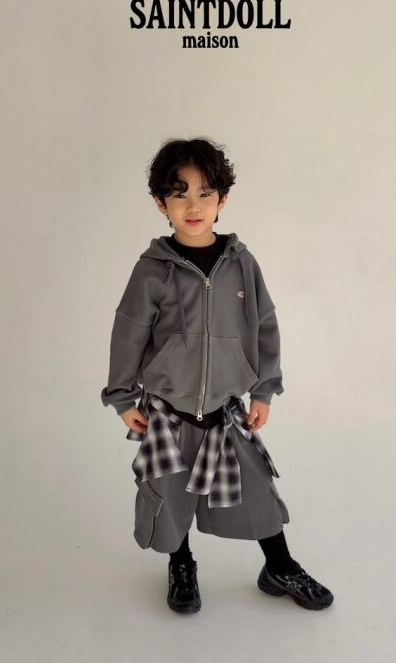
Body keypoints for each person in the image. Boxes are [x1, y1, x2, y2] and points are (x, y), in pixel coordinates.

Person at [101, 137, 333, 613]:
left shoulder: (242, 265)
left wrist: (264, 390)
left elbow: (264, 326)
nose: (193, 206)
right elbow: (128, 333)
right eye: (180, 194)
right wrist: (123, 398)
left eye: (205, 193)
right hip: (168, 413)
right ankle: (181, 565)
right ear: (161, 203)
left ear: (222, 200)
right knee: (171, 499)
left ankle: (279, 566)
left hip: (226, 413)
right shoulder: (152, 272)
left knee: (258, 491)